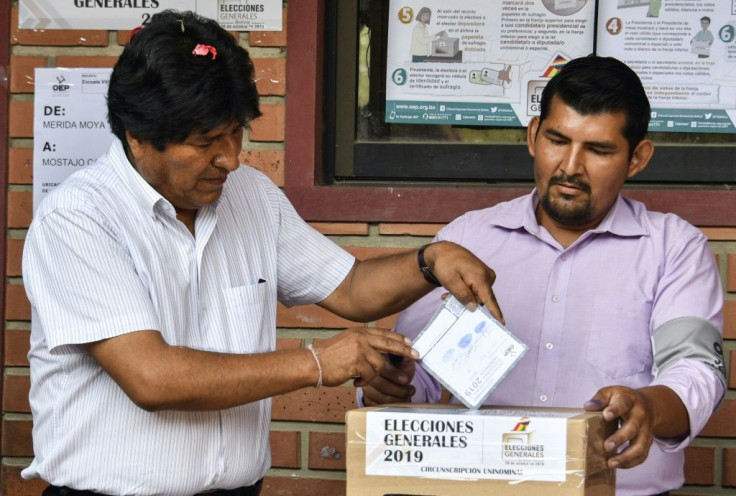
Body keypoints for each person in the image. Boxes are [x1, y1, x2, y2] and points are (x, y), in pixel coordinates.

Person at [21, 10, 503, 496]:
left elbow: (352, 289)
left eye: (236, 133)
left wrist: (431, 260)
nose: (230, 158)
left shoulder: (250, 195)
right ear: (138, 137)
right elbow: (153, 378)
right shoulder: (79, 219)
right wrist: (317, 362)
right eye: (205, 142)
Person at [359, 56, 726, 496]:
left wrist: (647, 405)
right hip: (480, 488)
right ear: (533, 135)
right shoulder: (466, 241)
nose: (570, 166)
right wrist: (390, 384)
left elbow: (696, 372)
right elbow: (416, 379)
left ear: (637, 158)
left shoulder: (674, 248)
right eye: (557, 140)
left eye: (598, 149)